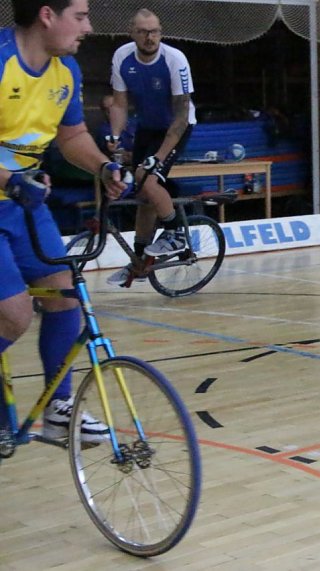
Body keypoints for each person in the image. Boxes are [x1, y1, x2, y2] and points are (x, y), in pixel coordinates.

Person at [0, 0, 126, 443]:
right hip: (12, 193)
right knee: (13, 316)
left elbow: (72, 137)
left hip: (22, 204)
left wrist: (104, 168)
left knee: (65, 294)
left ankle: (58, 411)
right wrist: (10, 180)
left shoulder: (65, 72)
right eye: (81, 15)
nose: (88, 27)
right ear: (48, 15)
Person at [106, 8, 196, 286]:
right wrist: (115, 137)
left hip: (176, 128)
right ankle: (139, 262)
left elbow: (181, 116)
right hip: (147, 127)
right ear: (132, 33)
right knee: (145, 197)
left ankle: (176, 232)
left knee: (149, 181)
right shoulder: (122, 57)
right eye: (143, 32)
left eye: (154, 31)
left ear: (161, 32)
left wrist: (158, 157)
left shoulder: (175, 60)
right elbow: (119, 104)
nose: (150, 37)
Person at [95, 94, 134, 164]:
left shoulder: (135, 122)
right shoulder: (104, 130)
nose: (110, 111)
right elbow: (122, 156)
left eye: (113, 106)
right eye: (106, 109)